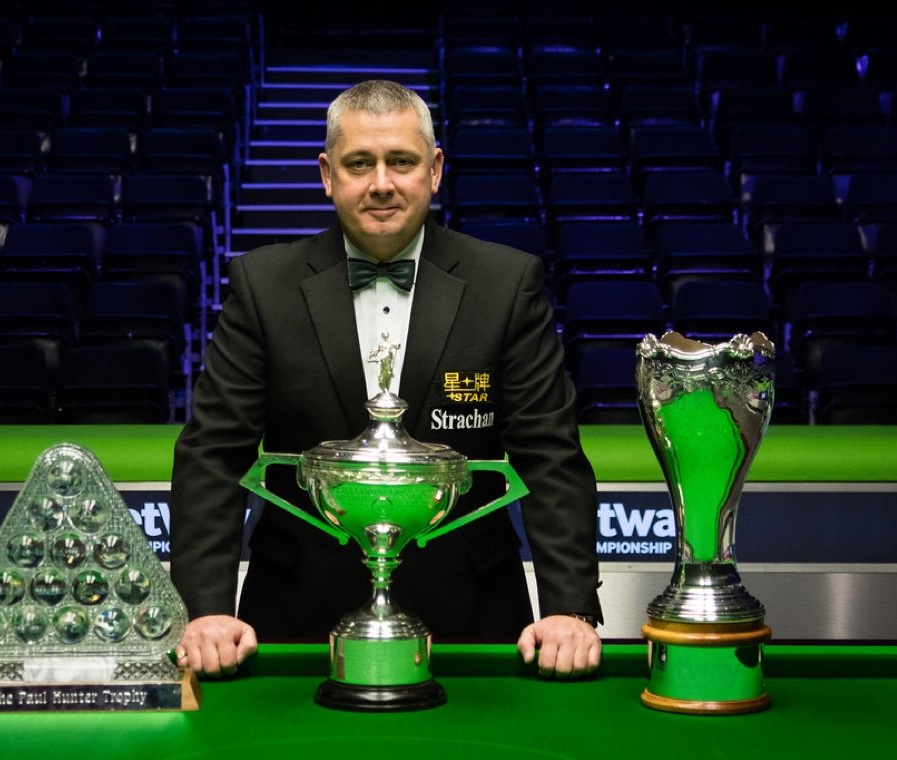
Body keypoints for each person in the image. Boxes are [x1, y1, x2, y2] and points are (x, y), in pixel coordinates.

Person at [170, 79, 602, 679]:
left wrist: (570, 611)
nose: (381, 183)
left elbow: (551, 457)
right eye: (359, 164)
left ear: (435, 169)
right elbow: (214, 455)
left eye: (401, 161)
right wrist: (204, 609)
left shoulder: (506, 284)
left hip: (473, 620)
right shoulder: (261, 286)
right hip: (295, 620)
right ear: (327, 174)